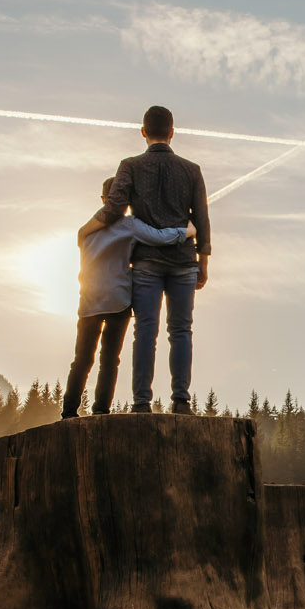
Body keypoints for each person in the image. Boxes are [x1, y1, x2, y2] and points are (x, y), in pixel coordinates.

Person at [94, 104, 210, 413]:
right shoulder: (192, 170)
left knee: (146, 330)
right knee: (181, 330)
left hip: (145, 262)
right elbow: (201, 217)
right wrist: (204, 260)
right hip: (184, 261)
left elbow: (115, 209)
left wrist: (89, 229)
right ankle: (181, 401)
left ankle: (141, 402)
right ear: (172, 132)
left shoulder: (130, 166)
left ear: (144, 131)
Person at [63, 178, 190, 417]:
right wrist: (186, 231)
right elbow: (160, 237)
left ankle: (69, 411)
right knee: (110, 359)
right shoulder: (130, 225)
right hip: (118, 300)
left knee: (82, 359)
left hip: (88, 301)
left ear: (103, 200)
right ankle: (101, 410)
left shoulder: (86, 230)